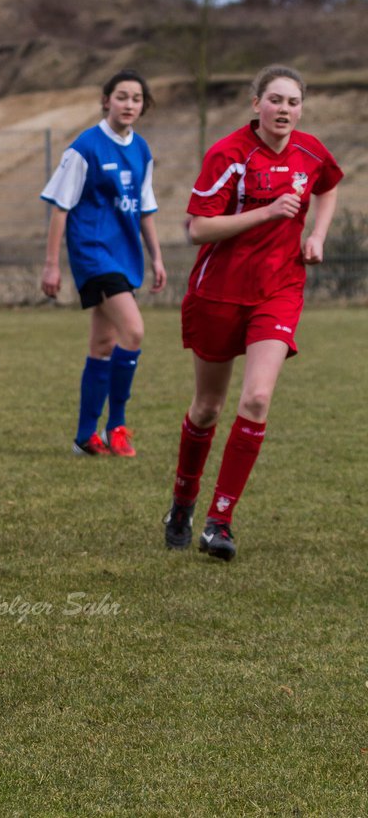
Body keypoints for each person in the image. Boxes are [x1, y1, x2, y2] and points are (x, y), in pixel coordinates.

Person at [163, 65, 341, 560]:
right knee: (207, 408)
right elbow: (197, 229)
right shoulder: (229, 154)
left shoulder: (310, 152)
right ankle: (183, 501)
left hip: (278, 290)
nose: (285, 109)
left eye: (294, 102)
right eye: (276, 100)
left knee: (258, 398)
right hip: (218, 294)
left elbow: (327, 186)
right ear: (255, 105)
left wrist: (317, 234)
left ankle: (219, 522)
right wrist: (267, 212)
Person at [40, 70, 166, 457]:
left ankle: (84, 436)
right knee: (134, 331)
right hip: (94, 254)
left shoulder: (141, 149)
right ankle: (116, 426)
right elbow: (61, 209)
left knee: (103, 343)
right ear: (106, 100)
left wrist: (157, 257)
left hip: (124, 255)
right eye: (122, 97)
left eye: (137, 99)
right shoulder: (85, 148)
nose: (129, 104)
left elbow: (144, 210)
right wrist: (51, 265)